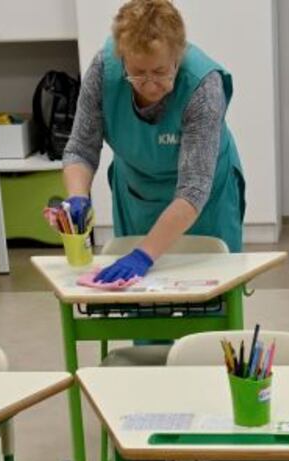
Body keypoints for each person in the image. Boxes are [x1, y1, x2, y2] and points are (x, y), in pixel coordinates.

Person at [61, 0, 244, 285]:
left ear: (178, 56)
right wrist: (77, 197)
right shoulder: (104, 71)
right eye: (137, 72)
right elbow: (81, 148)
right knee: (140, 294)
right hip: (137, 194)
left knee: (209, 289)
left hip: (205, 201)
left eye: (160, 72)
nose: (148, 85)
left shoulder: (203, 86)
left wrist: (143, 255)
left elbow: (194, 189)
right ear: (122, 58)